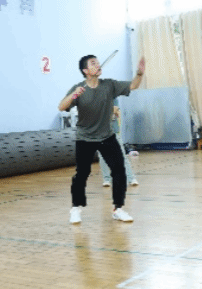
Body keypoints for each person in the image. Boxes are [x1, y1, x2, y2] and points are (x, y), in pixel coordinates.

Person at [59, 54, 145, 224]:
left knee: (119, 170)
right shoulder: (79, 89)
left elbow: (133, 85)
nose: (98, 65)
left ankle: (118, 209)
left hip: (106, 136)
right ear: (86, 70)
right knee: (82, 173)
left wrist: (140, 73)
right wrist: (74, 95)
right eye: (93, 63)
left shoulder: (109, 85)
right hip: (85, 138)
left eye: (98, 62)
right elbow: (61, 107)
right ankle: (76, 208)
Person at [99, 105, 139, 187]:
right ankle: (106, 179)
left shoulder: (113, 100)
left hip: (114, 134)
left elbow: (116, 111)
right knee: (102, 158)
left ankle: (131, 178)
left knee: (122, 157)